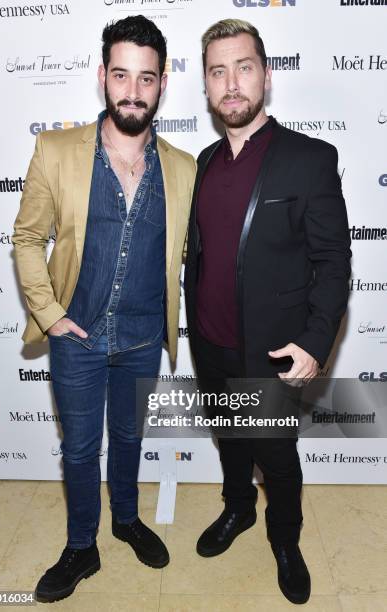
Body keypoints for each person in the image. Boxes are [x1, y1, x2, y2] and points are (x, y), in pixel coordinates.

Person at [13, 15, 196, 603]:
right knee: (79, 448)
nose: (133, 91)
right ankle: (79, 546)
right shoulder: (56, 150)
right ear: (102, 77)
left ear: (162, 84)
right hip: (77, 335)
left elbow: (192, 250)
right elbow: (26, 238)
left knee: (128, 437)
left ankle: (126, 519)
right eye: (122, 75)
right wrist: (50, 314)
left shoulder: (185, 168)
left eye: (146, 79)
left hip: (145, 335)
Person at [184, 19, 351, 605]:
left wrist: (315, 339)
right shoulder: (202, 161)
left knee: (277, 458)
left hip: (275, 351)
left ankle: (286, 536)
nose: (231, 83)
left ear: (267, 76)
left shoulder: (309, 158)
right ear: (206, 86)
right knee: (231, 444)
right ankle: (238, 511)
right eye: (218, 71)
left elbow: (334, 262)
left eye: (243, 67)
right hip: (210, 344)